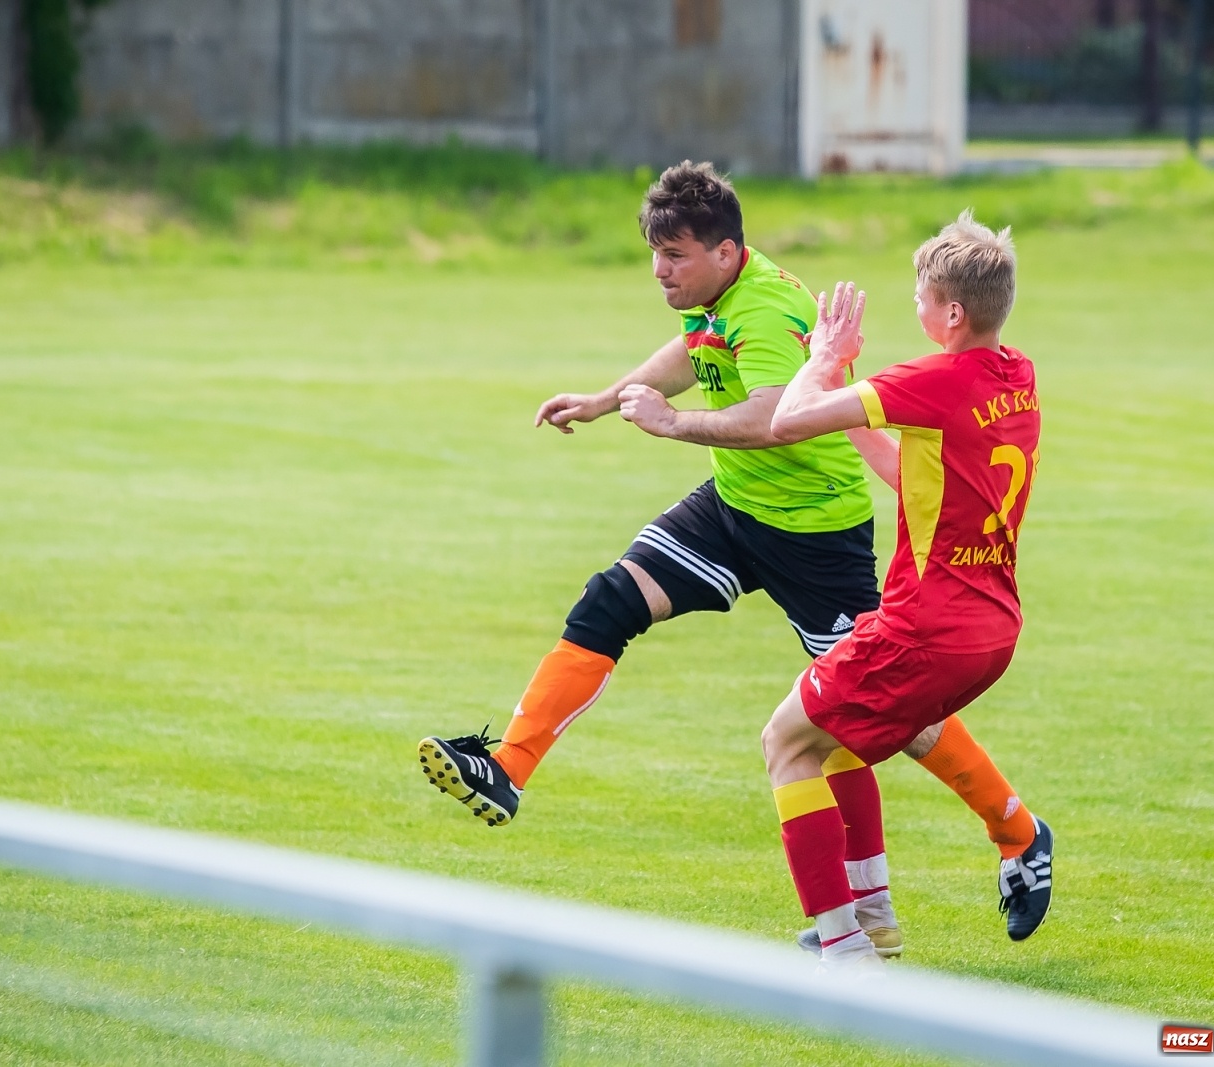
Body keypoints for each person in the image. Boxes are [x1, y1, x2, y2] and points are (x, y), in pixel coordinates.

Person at [416, 164, 1045, 950]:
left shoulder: (771, 305)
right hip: (733, 509)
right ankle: (508, 767)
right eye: (654, 253)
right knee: (609, 600)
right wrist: (606, 399)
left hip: (815, 533)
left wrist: (673, 424)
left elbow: (775, 415)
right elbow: (687, 354)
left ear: (724, 251)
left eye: (674, 256)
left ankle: (987, 842)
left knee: (865, 725)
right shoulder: (714, 301)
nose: (660, 271)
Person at [759, 211, 1051, 967]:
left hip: (926, 628)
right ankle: (885, 907)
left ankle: (845, 945)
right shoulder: (1015, 374)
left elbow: (786, 420)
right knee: (837, 735)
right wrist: (855, 392)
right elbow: (908, 475)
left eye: (921, 299)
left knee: (786, 743)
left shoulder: (931, 379)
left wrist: (823, 359)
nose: (914, 311)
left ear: (951, 314)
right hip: (993, 628)